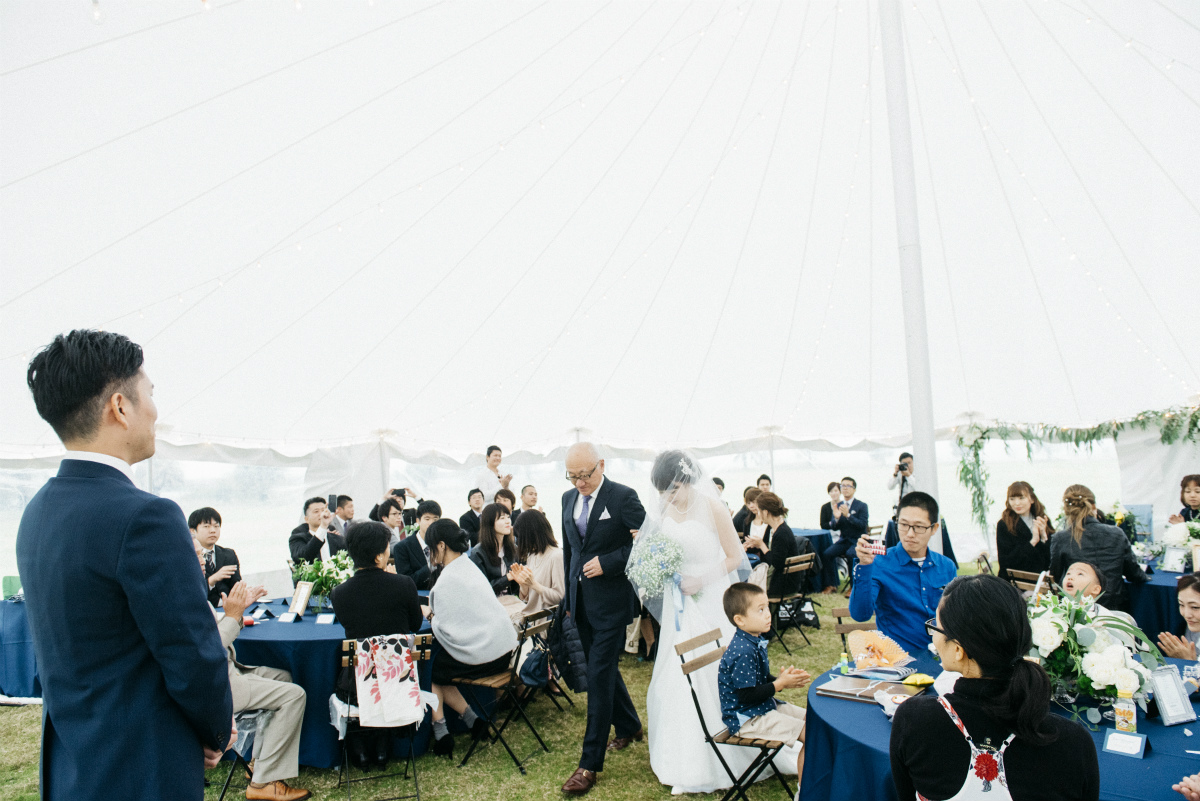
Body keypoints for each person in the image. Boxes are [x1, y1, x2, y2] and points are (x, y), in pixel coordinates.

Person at [17, 330, 233, 800]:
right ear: (120, 406)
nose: (155, 410)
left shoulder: (37, 512)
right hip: (141, 763)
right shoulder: (145, 516)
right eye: (150, 394)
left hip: (73, 764)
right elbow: (191, 652)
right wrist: (215, 729)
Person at [630, 450, 774, 795]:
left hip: (710, 598)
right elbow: (662, 550)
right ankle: (681, 756)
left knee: (713, 670)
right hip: (680, 603)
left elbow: (734, 557)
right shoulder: (665, 509)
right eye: (662, 491)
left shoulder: (713, 507)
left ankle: (725, 748)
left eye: (672, 489)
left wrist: (700, 580)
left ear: (687, 480)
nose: (667, 497)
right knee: (676, 674)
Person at [890, 575, 1100, 801]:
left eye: (936, 628)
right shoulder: (1073, 742)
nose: (934, 637)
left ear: (959, 650)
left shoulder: (915, 720)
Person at [191, 541, 310, 800]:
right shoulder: (183, 597)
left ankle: (261, 762)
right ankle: (263, 783)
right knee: (295, 695)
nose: (202, 559)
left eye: (202, 554)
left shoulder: (192, 589)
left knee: (284, 676)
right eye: (196, 554)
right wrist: (233, 616)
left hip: (227, 671)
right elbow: (206, 652)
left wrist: (236, 611)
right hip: (217, 683)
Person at [560, 442, 646, 795]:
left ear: (602, 465)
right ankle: (629, 726)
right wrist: (569, 598)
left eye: (585, 475)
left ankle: (589, 765)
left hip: (611, 603)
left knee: (597, 676)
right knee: (605, 668)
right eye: (573, 476)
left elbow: (648, 543)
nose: (580, 483)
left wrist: (610, 562)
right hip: (580, 602)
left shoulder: (623, 497)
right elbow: (570, 551)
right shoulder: (567, 499)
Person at [330, 521, 425, 770]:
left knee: (350, 673)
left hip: (359, 684)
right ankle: (382, 748)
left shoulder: (339, 593)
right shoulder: (404, 584)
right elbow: (415, 624)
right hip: (399, 680)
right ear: (379, 556)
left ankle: (360, 749)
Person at [425, 519, 518, 758]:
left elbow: (445, 629)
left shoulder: (448, 578)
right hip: (503, 651)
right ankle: (472, 720)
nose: (430, 553)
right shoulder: (468, 565)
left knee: (430, 669)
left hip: (487, 657)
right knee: (439, 667)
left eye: (430, 547)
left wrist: (431, 616)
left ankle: (442, 733)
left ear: (442, 545)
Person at [718, 583, 809, 789]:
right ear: (740, 620)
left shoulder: (753, 639)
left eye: (767, 607)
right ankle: (805, 793)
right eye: (760, 610)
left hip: (762, 707)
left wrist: (781, 680)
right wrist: (779, 684)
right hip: (747, 719)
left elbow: (760, 678)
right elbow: (746, 695)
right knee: (812, 735)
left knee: (813, 719)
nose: (768, 614)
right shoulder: (742, 651)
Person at [849, 491, 958, 654]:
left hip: (942, 657)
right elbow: (860, 614)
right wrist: (864, 565)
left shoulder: (946, 566)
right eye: (903, 524)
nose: (910, 534)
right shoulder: (879, 563)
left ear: (934, 528)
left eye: (919, 527)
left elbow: (956, 617)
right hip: (899, 658)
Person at [1048, 484, 1147, 612]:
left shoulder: (1061, 538)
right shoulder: (1116, 533)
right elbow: (1133, 574)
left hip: (1077, 610)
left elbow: (1055, 577)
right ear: (1094, 506)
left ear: (1066, 510)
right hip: (1114, 609)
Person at [756, 491, 815, 600]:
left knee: (748, 586)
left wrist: (761, 546)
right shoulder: (779, 528)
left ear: (765, 512)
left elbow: (777, 563)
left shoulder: (781, 533)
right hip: (787, 582)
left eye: (759, 511)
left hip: (782, 585)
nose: (758, 515)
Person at [511, 509, 565, 616]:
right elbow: (527, 599)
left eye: (521, 538)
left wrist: (533, 584)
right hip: (531, 618)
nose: (520, 542)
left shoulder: (557, 556)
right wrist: (523, 585)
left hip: (546, 621)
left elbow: (560, 598)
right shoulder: (532, 556)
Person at [996, 481, 1053, 581]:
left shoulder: (1042, 520)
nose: (1017, 503)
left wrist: (1044, 538)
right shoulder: (1004, 525)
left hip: (1041, 581)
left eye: (1021, 498)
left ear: (1032, 499)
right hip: (1015, 582)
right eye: (1012, 499)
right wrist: (1033, 541)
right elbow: (1006, 563)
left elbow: (1051, 560)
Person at [822, 477, 867, 593]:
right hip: (844, 540)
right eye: (843, 486)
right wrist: (836, 519)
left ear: (854, 489)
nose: (845, 488)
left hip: (857, 540)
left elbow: (862, 525)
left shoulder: (861, 505)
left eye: (848, 486)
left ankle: (853, 586)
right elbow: (834, 527)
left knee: (851, 554)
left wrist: (848, 516)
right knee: (827, 554)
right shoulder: (839, 505)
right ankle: (831, 584)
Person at [191, 506, 241, 608]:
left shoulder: (229, 554)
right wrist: (212, 580)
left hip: (228, 608)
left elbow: (236, 586)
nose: (213, 530)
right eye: (206, 526)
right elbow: (192, 592)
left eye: (216, 526)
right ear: (192, 531)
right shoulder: (189, 557)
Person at [469, 503, 518, 596]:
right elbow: (481, 588)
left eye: (508, 517)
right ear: (490, 522)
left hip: (511, 599)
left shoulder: (513, 548)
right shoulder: (478, 553)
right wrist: (507, 578)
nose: (508, 521)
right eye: (502, 518)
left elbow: (516, 587)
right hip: (489, 601)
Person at [391, 500, 441, 590]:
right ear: (418, 520)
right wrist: (431, 565)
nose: (431, 523)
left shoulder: (443, 545)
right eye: (427, 519)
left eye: (435, 519)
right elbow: (406, 581)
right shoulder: (402, 547)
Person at [289, 497, 346, 565]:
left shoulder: (338, 539)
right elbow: (303, 557)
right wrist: (323, 526)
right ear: (307, 519)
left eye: (323, 510)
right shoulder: (297, 539)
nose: (321, 514)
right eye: (316, 511)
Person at [1159, 573, 1200, 660]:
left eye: (1195, 607)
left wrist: (1188, 660)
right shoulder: (1193, 628)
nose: (1187, 614)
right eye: (1181, 604)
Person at [740, 488, 769, 559]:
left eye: (754, 502)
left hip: (766, 559)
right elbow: (745, 540)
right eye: (748, 503)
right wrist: (744, 546)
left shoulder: (769, 522)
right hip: (752, 559)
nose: (751, 506)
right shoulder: (747, 522)